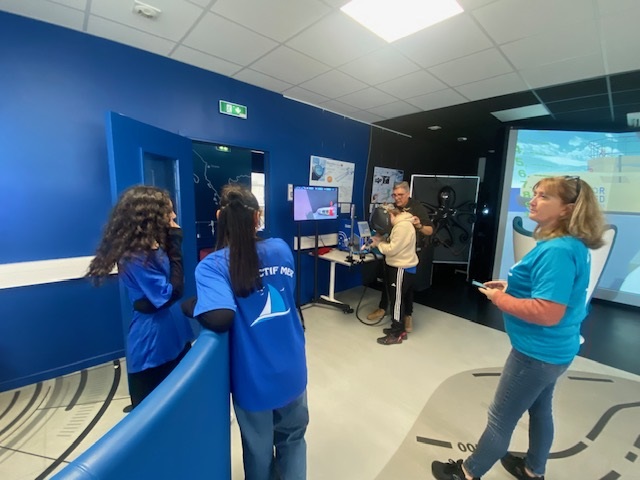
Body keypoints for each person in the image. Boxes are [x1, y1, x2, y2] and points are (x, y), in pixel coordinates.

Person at [431, 175, 606, 480]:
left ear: (567, 209)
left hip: (536, 353)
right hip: (555, 351)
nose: (533, 201)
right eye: (534, 194)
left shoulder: (558, 250)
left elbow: (548, 312)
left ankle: (467, 473)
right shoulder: (569, 245)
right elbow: (552, 293)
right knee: (540, 409)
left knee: (500, 418)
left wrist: (500, 299)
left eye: (544, 196)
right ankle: (533, 470)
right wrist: (511, 288)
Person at [182, 184, 308, 480]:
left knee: (258, 452)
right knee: (293, 439)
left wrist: (190, 305)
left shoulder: (212, 266)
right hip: (293, 368)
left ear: (219, 217)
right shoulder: (280, 248)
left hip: (254, 380)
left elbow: (220, 316)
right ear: (257, 216)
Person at [86, 185, 193, 409]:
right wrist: (176, 244)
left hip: (175, 334)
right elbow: (170, 293)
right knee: (149, 411)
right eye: (168, 212)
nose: (174, 216)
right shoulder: (134, 256)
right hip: (153, 345)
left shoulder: (154, 247)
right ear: (149, 217)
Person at [367, 181, 434, 332]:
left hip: (406, 254)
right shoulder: (393, 208)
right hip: (393, 253)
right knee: (389, 282)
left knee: (406, 288)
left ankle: (407, 316)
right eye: (394, 195)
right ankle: (383, 308)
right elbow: (385, 227)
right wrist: (376, 239)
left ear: (408, 194)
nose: (397, 198)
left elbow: (430, 230)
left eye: (401, 195)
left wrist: (419, 226)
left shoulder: (416, 208)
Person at [369, 206, 419, 345]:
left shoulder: (402, 227)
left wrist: (378, 243)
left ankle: (396, 333)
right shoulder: (402, 223)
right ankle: (399, 329)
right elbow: (395, 242)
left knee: (396, 301)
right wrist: (382, 239)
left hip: (401, 268)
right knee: (399, 299)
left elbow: (392, 249)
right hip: (404, 266)